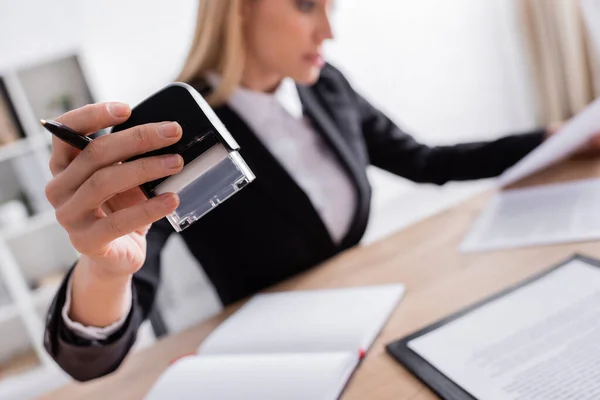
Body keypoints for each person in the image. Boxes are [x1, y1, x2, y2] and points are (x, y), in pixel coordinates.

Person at [43, 0, 600, 381]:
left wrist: (557, 138)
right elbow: (89, 362)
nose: (328, 31)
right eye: (307, 4)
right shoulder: (173, 134)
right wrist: (106, 271)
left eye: (333, 7)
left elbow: (425, 161)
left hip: (384, 322)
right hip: (287, 366)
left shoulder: (327, 88)